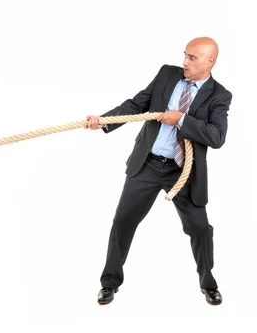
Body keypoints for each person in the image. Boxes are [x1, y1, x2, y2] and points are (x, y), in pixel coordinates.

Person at [84, 37, 231, 305]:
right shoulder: (167, 74)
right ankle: (109, 283)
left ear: (210, 62)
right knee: (122, 223)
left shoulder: (220, 95)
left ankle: (208, 284)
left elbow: (217, 136)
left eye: (192, 58)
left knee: (200, 229)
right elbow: (137, 104)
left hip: (183, 172)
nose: (184, 62)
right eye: (184, 55)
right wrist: (104, 121)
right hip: (147, 164)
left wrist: (182, 119)